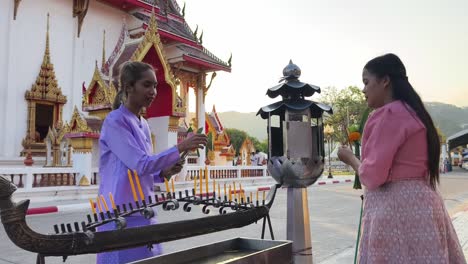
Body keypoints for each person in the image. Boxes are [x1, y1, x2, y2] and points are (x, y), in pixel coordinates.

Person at [337, 54, 465, 263]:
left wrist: (350, 158)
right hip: (424, 206)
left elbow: (372, 176)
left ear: (385, 81)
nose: (363, 90)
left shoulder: (388, 114)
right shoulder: (415, 113)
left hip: (395, 210)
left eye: (366, 82)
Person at [97, 61, 207, 264]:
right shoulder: (115, 121)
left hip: (143, 211)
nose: (153, 91)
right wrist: (181, 147)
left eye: (155, 85)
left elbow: (144, 170)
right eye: (147, 85)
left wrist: (164, 173)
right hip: (118, 214)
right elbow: (141, 164)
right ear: (129, 87)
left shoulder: (144, 125)